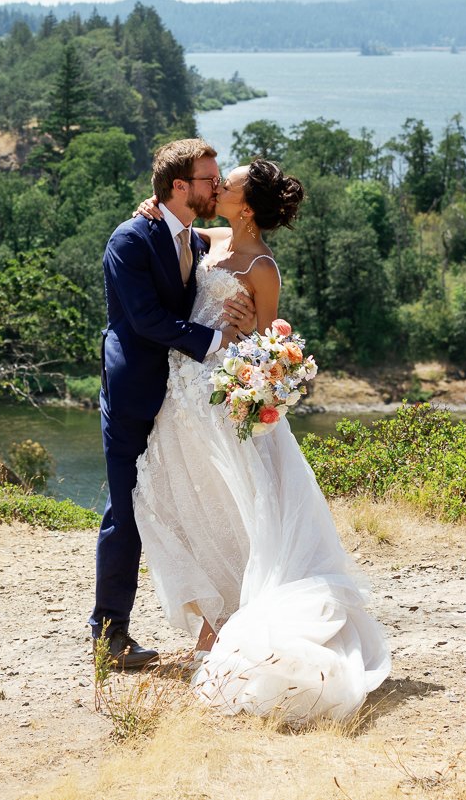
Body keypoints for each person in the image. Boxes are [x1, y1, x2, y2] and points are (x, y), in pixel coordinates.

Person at [130, 156, 391, 723]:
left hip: (219, 397)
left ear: (246, 204)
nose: (218, 185)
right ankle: (212, 622)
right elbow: (178, 225)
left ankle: (228, 628)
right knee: (183, 503)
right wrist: (152, 208)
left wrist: (250, 339)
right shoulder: (214, 234)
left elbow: (268, 343)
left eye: (229, 182)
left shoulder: (264, 266)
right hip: (182, 387)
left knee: (233, 509)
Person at [89, 137, 253, 671]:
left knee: (189, 506)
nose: (219, 185)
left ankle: (221, 616)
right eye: (210, 179)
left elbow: (244, 236)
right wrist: (218, 344)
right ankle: (109, 637)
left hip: (182, 403)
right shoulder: (130, 240)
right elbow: (146, 322)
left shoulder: (194, 239)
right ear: (179, 186)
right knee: (126, 515)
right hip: (135, 394)